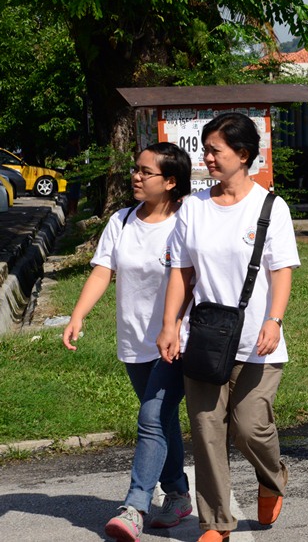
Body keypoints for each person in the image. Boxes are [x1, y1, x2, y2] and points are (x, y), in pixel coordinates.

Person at [157, 113, 299, 541]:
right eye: (206, 150)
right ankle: (216, 522)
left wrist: (274, 319)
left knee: (250, 427)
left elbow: (282, 271)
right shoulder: (194, 208)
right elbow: (181, 272)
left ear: (243, 154)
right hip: (204, 337)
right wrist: (170, 324)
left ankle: (272, 477)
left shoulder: (270, 207)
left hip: (257, 338)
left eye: (215, 150)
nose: (207, 158)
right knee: (206, 430)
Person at [63, 143, 193, 542]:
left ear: (170, 181)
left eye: (145, 172)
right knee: (161, 419)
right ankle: (178, 495)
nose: (136, 176)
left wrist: (175, 325)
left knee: (151, 418)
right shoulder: (121, 221)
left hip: (177, 340)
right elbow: (103, 271)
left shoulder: (187, 220)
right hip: (134, 340)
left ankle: (135, 506)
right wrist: (78, 315)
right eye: (135, 169)